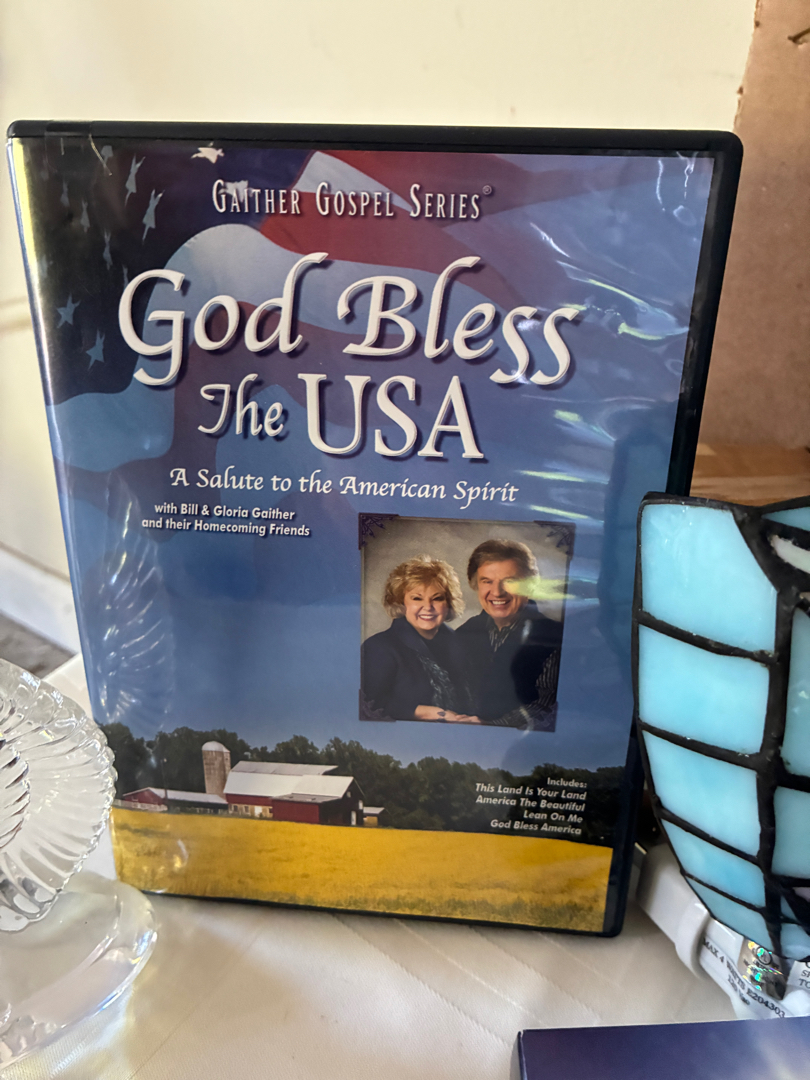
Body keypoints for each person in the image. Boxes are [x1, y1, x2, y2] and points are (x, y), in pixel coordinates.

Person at [455, 539, 563, 729]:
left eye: (510, 581)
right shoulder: (462, 633)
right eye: (487, 581)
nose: (497, 592)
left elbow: (547, 703)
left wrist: (493, 725)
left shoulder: (555, 637)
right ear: (475, 584)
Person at [361, 555, 479, 723]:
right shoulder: (378, 648)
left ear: (448, 603)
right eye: (417, 598)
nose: (428, 607)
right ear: (401, 602)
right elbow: (368, 707)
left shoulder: (463, 645)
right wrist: (429, 713)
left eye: (437, 598)